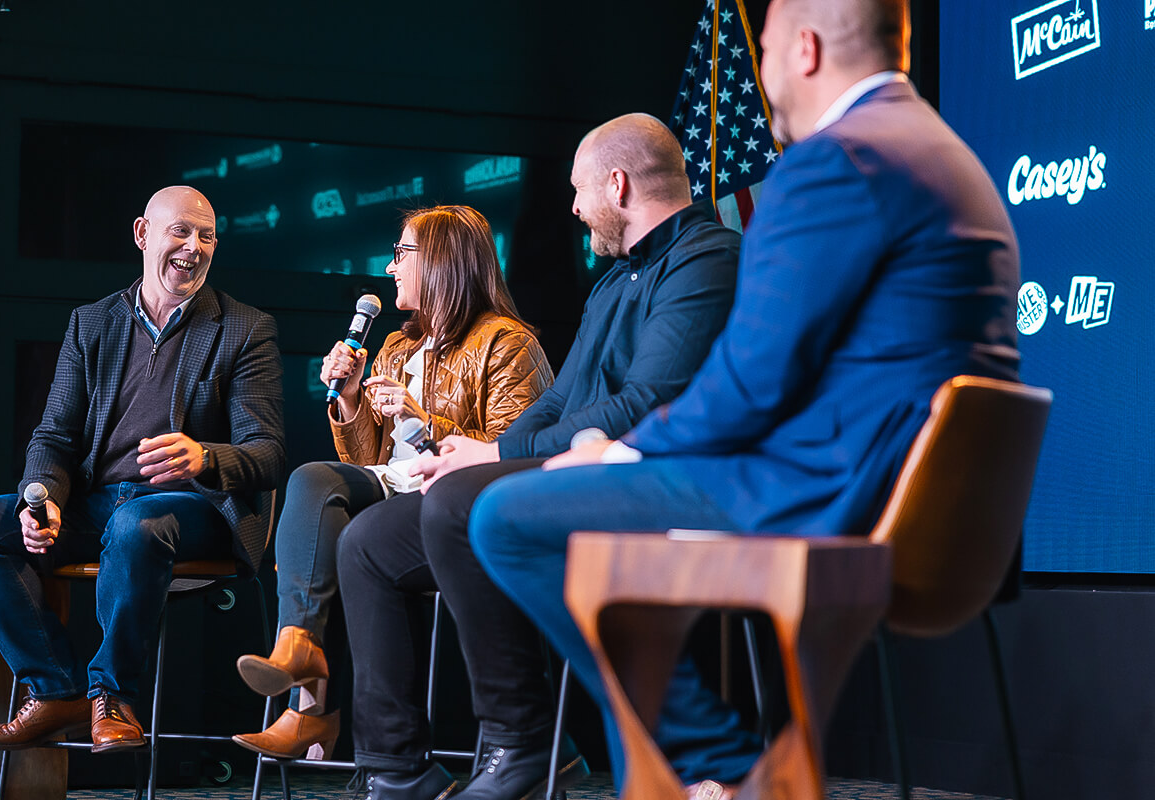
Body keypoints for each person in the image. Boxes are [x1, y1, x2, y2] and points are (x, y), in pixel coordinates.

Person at [468, 0, 1022, 797]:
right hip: (943, 516)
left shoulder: (840, 161)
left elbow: (750, 384)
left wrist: (621, 450)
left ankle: (717, 766)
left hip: (834, 492)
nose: (762, 78)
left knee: (509, 518)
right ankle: (694, 770)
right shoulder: (945, 155)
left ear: (803, 48)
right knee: (583, 512)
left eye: (761, 52)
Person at [338, 113, 741, 800]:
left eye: (582, 191)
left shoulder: (706, 260)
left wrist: (493, 451)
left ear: (617, 185)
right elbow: (559, 407)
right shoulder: (615, 281)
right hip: (574, 468)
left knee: (459, 504)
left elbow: (646, 403)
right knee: (365, 541)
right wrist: (477, 451)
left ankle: (520, 744)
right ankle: (397, 768)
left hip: (653, 480)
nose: (576, 207)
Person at [0, 185, 286, 754]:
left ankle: (114, 698)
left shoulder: (244, 329)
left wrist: (205, 456)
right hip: (99, 500)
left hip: (193, 506)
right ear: (142, 234)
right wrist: (46, 496)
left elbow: (268, 453)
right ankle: (56, 692)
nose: (193, 246)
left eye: (206, 236)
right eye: (180, 231)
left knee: (138, 526)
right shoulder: (92, 322)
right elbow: (54, 435)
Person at [230, 205, 552, 767]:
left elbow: (515, 452)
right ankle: (299, 653)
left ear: (442, 262)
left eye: (401, 255)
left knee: (343, 536)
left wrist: (422, 417)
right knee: (313, 482)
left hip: (459, 509)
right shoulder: (398, 347)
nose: (390, 268)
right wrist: (352, 398)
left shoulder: (506, 343)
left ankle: (311, 709)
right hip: (398, 493)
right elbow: (369, 461)